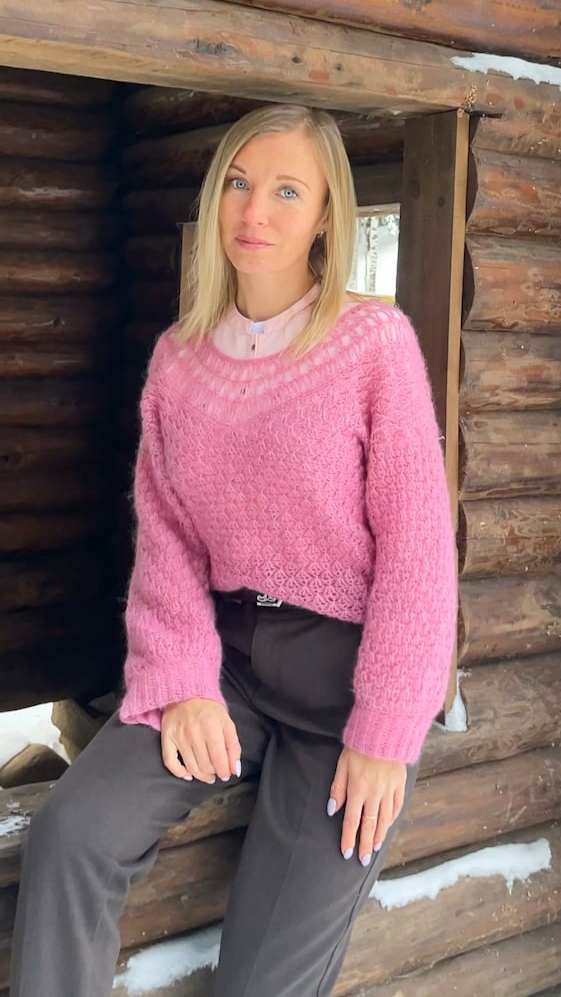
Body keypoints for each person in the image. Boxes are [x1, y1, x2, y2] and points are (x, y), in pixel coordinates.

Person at [10, 105, 459, 997]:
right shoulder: (179, 361)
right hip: (226, 662)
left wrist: (385, 731)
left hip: (347, 688)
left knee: (262, 981)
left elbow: (418, 549)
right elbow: (167, 536)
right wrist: (181, 679)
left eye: (288, 190)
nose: (257, 211)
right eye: (241, 185)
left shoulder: (375, 345)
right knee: (71, 835)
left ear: (327, 214)